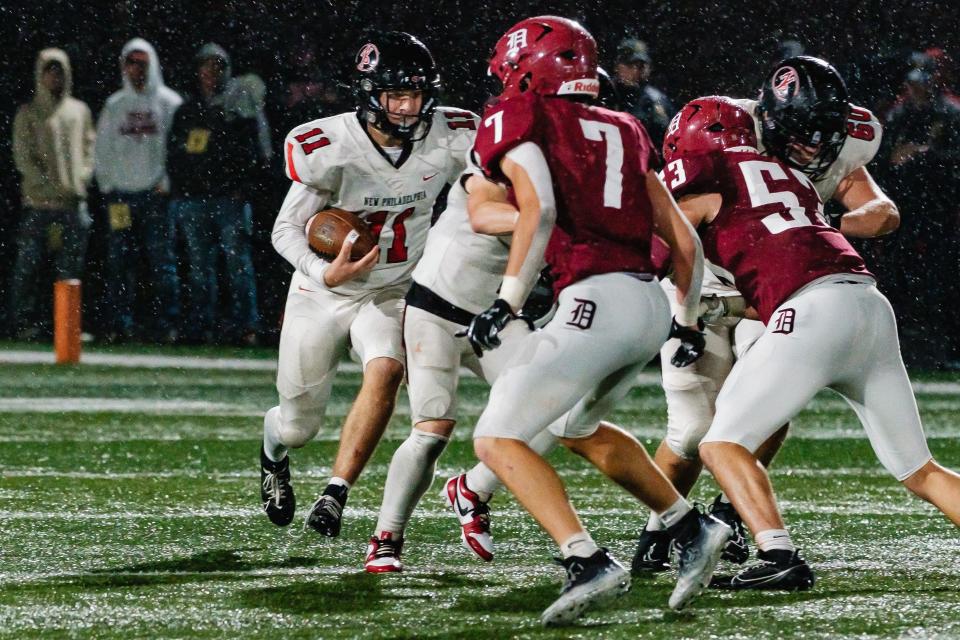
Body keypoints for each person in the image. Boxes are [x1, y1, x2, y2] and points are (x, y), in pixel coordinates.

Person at [464, 16, 731, 625]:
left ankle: (585, 559)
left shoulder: (522, 116)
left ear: (527, 67)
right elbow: (683, 241)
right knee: (577, 427)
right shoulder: (627, 124)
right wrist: (684, 322)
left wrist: (506, 300)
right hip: (647, 303)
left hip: (594, 298)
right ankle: (688, 526)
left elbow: (541, 209)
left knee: (496, 439)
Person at [659, 95, 960, 595]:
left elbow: (670, 243)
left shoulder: (706, 175)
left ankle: (777, 555)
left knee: (719, 442)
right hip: (866, 301)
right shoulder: (795, 177)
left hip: (812, 310)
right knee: (918, 469)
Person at [633, 56, 900, 572]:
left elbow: (883, 211)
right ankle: (661, 531)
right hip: (704, 287)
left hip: (779, 287)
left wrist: (827, 225)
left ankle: (733, 512)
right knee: (690, 432)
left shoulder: (846, 136)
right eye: (800, 132)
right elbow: (667, 242)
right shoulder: (717, 133)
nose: (813, 146)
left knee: (769, 403)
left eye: (823, 132)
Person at [259, 32, 477, 540]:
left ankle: (336, 492)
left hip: (392, 288)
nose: (408, 108)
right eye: (396, 96)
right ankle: (273, 454)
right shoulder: (330, 146)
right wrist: (322, 271)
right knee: (298, 425)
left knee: (386, 369)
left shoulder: (452, 135)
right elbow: (284, 230)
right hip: (322, 293)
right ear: (369, 96)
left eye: (417, 95)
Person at [167, 43, 263, 345]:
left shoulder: (239, 110)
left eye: (217, 66)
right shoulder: (187, 110)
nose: (211, 73)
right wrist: (182, 191)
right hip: (194, 200)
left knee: (237, 267)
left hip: (228, 200)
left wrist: (242, 189)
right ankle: (201, 326)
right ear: (198, 72)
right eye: (206, 67)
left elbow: (254, 153)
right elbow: (175, 154)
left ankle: (245, 327)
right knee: (199, 268)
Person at [95, 38, 182, 344]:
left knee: (162, 263)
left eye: (142, 63)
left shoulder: (169, 103)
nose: (136, 69)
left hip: (155, 194)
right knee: (120, 263)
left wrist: (167, 183)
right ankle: (119, 324)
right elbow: (102, 148)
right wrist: (107, 187)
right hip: (121, 195)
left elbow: (177, 149)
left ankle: (165, 325)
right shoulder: (115, 105)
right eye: (130, 63)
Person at [10, 48, 95, 340]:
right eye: (49, 70)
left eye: (59, 70)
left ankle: (67, 326)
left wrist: (80, 180)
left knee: (71, 269)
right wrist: (48, 186)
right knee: (29, 267)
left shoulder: (79, 111)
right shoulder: (28, 113)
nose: (54, 76)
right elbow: (23, 158)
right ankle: (23, 323)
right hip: (38, 203)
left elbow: (89, 150)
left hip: (73, 204)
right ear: (40, 73)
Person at [611, 37, 674, 147]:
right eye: (630, 65)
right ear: (618, 66)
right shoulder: (604, 93)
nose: (635, 71)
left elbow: (670, 144)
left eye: (640, 66)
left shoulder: (657, 101)